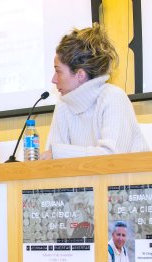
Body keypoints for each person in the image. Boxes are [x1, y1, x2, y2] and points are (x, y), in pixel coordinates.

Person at [40, 23, 149, 160]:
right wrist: (54, 154)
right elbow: (51, 158)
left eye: (58, 71)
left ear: (80, 74)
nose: (53, 79)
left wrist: (59, 153)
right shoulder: (63, 105)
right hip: (87, 181)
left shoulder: (113, 97)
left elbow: (112, 158)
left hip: (131, 181)